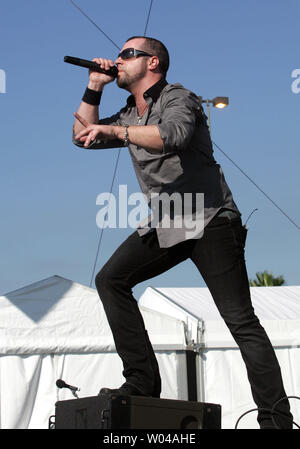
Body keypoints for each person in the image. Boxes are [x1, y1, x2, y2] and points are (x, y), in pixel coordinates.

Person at [73, 36, 293, 429]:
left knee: (240, 320)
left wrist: (117, 134)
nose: (119, 61)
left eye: (127, 54)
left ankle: (276, 420)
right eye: (119, 56)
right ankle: (141, 382)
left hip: (210, 218)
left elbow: (172, 135)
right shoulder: (127, 112)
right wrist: (93, 86)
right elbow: (81, 135)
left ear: (152, 62)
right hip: (168, 221)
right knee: (110, 279)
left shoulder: (179, 97)